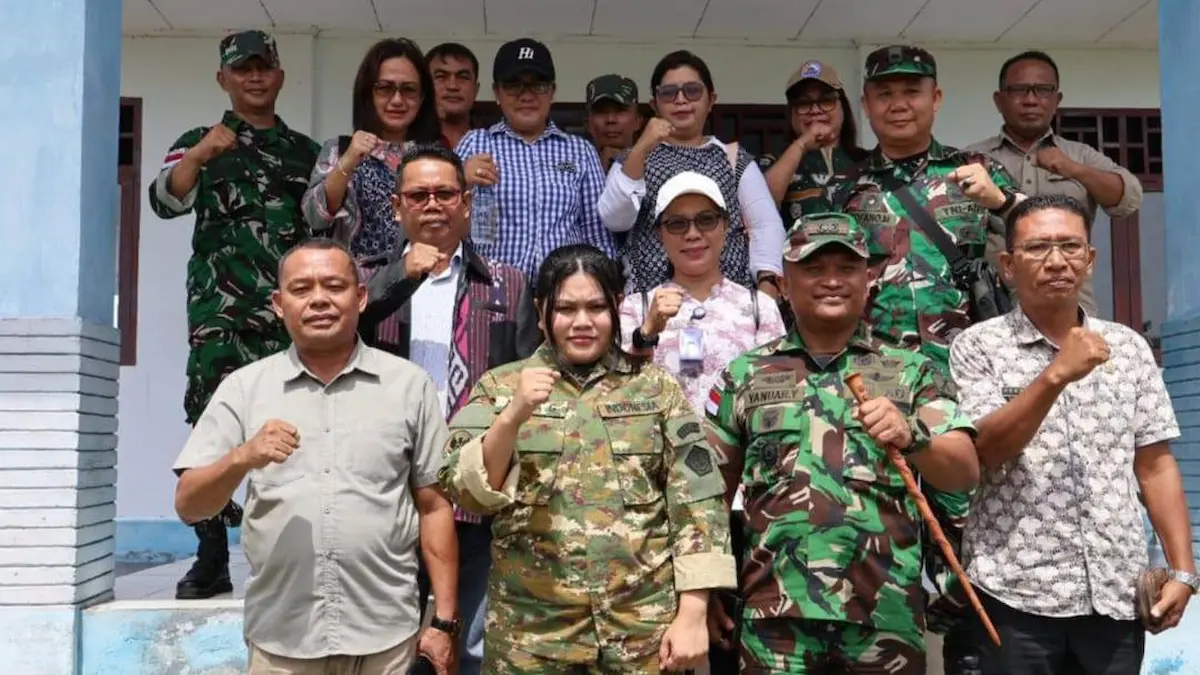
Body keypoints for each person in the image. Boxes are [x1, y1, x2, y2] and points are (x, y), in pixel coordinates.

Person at [439, 244, 737, 674]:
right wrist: (512, 417)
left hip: (642, 637)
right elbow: (466, 491)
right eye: (565, 308)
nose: (581, 322)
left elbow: (699, 504)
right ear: (542, 311)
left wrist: (692, 613)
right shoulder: (501, 387)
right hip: (533, 639)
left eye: (596, 306)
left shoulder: (655, 389)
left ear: (617, 306)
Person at [705, 212, 980, 674]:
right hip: (775, 617)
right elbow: (709, 494)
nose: (831, 280)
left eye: (846, 268)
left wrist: (912, 437)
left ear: (869, 280)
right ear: (786, 284)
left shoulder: (910, 371)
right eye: (813, 269)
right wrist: (707, 589)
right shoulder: (745, 375)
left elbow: (964, 468)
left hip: (884, 617)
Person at [825, 46, 1027, 671]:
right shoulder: (845, 190)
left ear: (936, 99)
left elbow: (1046, 239)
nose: (898, 102)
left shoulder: (977, 173)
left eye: (912, 90)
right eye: (884, 93)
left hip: (959, 376)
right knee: (881, 517)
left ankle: (966, 648)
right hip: (875, 383)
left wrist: (1001, 203)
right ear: (866, 104)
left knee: (967, 520)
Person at [172, 239, 459, 675]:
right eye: (302, 288)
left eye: (334, 286)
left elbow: (434, 505)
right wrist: (243, 458)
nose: (319, 299)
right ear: (278, 304)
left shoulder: (408, 386)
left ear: (360, 297)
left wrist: (443, 622)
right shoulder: (245, 389)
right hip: (283, 641)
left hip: (386, 640)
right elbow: (189, 505)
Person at [949, 194, 1196, 675]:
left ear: (1090, 259)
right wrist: (1054, 376)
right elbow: (984, 453)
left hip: (1115, 592)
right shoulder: (977, 346)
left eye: (1070, 246)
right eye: (1038, 248)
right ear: (1007, 264)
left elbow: (1156, 465)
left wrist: (1183, 571)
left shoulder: (1128, 347)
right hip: (1016, 592)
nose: (1057, 261)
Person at [148, 29, 320, 601]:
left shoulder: (304, 151)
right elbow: (163, 199)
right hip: (219, 314)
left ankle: (291, 551)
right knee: (208, 429)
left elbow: (320, 222)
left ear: (279, 75)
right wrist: (200, 156)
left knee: (292, 427)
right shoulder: (198, 139)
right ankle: (211, 553)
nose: (253, 77)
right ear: (223, 78)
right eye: (241, 69)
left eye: (262, 67)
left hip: (283, 314)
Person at [357, 143, 540, 675]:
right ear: (397, 207)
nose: (433, 204)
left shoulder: (505, 283)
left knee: (477, 644)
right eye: (419, 195)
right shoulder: (365, 280)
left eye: (445, 193)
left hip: (477, 485)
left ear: (465, 202)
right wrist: (402, 277)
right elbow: (342, 333)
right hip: (389, 489)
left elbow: (525, 377)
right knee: (394, 646)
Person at [966, 50, 1143, 317]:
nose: (1030, 100)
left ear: (1056, 99)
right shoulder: (973, 161)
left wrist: (1072, 169)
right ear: (999, 100)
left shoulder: (1080, 155)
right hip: (993, 308)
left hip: (1072, 308)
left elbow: (1127, 199)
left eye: (1042, 90)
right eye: (1019, 90)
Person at [598, 50, 786, 297]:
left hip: (729, 311)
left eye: (692, 91)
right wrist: (643, 146)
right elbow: (614, 218)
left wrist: (767, 286)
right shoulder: (632, 159)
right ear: (655, 104)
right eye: (668, 93)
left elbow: (766, 226)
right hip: (652, 309)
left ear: (711, 100)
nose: (681, 100)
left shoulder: (734, 159)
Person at [455, 39, 617, 285]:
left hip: (562, 293)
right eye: (513, 85)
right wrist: (459, 180)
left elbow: (597, 234)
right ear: (496, 93)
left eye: (538, 85)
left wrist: (604, 287)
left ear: (552, 92)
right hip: (489, 289)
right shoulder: (475, 143)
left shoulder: (579, 150)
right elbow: (442, 216)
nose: (527, 95)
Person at [303, 38, 444, 260]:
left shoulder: (435, 156)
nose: (397, 100)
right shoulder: (340, 149)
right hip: (356, 286)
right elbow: (314, 217)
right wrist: (347, 162)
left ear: (422, 97)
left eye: (409, 90)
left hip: (420, 282)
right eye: (385, 88)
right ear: (368, 93)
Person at [759, 58, 869, 221]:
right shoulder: (772, 162)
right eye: (803, 104)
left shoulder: (867, 161)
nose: (815, 110)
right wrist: (801, 145)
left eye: (825, 101)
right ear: (791, 114)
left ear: (843, 107)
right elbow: (760, 207)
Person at [585, 74, 644, 172]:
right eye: (601, 111)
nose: (610, 119)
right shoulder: (574, 167)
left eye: (620, 110)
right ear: (587, 123)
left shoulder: (656, 167)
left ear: (637, 121)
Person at [426, 42, 480, 149]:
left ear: (476, 89)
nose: (452, 86)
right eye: (441, 76)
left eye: (463, 77)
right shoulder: (408, 141)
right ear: (425, 86)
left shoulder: (494, 142)